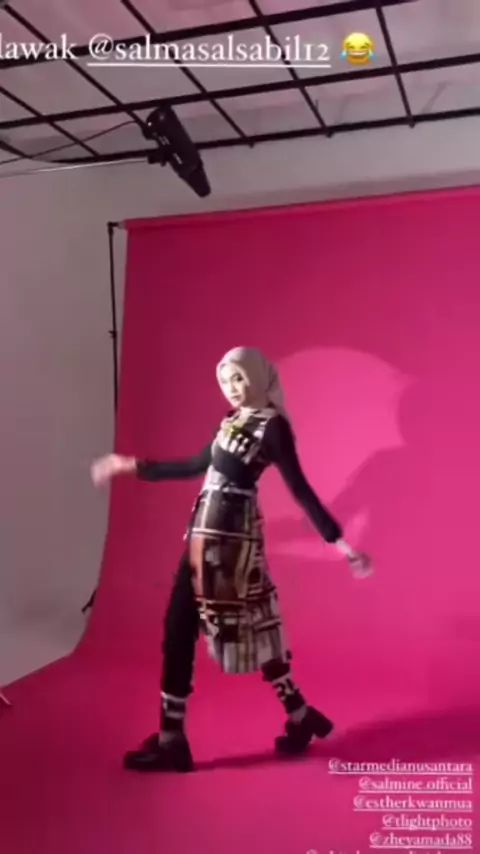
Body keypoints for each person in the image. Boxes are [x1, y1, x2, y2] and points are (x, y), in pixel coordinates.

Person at [91, 346, 372, 772]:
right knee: (250, 623)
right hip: (208, 535)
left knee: (190, 625)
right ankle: (298, 715)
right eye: (225, 381)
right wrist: (130, 465)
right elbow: (193, 466)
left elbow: (300, 489)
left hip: (224, 543)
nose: (232, 388)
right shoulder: (232, 422)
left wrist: (342, 545)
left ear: (257, 375)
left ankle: (172, 740)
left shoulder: (272, 426)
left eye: (239, 377)